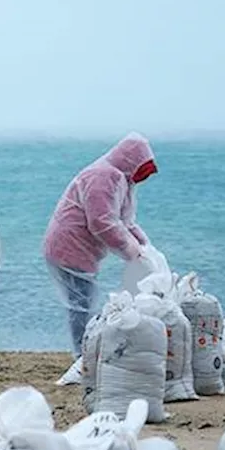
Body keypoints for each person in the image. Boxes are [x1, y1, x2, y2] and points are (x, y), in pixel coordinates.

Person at [42, 132, 157, 355]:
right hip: (69, 248)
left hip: (80, 250)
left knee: (85, 301)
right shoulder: (103, 176)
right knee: (82, 305)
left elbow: (125, 221)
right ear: (132, 160)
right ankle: (82, 354)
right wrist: (131, 251)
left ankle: (86, 351)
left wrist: (146, 247)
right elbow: (101, 222)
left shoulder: (121, 180)